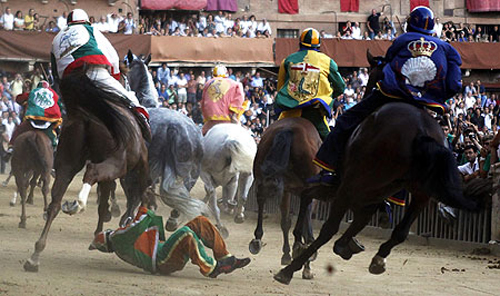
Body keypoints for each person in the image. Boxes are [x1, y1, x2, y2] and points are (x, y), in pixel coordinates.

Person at [308, 6, 462, 186]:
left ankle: (329, 169)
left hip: (393, 94)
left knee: (345, 121)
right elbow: (454, 85)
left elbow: (389, 64)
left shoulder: (402, 39)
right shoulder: (448, 49)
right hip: (424, 104)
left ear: (410, 24)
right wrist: (436, 96)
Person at [51, 9, 149, 128]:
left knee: (60, 115)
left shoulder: (56, 39)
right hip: (93, 71)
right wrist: (115, 76)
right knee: (129, 98)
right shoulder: (92, 30)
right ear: (87, 21)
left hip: (68, 83)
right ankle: (143, 121)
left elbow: (55, 73)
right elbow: (113, 57)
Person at [90, 206, 250, 278]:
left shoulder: (121, 242)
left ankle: (225, 258)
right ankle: (212, 268)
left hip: (163, 252)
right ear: (107, 240)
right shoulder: (118, 241)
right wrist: (144, 210)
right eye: (106, 232)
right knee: (186, 233)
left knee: (199, 222)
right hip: (162, 261)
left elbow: (145, 225)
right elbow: (138, 226)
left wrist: (143, 210)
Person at [274, 28, 345, 140]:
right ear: (319, 46)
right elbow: (341, 87)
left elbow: (281, 88)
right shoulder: (328, 61)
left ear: (300, 43)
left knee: (270, 136)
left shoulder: (287, 60)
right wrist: (328, 97)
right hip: (314, 114)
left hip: (289, 112)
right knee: (331, 145)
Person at [6, 81, 62, 157]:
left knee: (19, 129)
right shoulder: (53, 93)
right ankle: (57, 149)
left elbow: (19, 98)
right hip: (49, 121)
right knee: (56, 133)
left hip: (33, 120)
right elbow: (60, 105)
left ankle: (11, 147)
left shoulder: (33, 92)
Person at [200, 65, 247, 135]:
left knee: (202, 138)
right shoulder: (235, 84)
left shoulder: (207, 84)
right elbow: (239, 99)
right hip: (228, 118)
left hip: (211, 120)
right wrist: (234, 114)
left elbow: (203, 103)